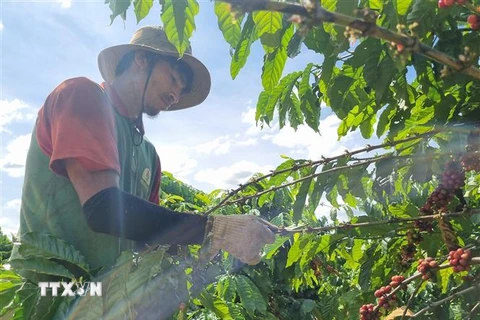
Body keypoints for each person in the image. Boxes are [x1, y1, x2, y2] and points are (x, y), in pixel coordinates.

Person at [12, 26, 277, 277]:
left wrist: (183, 255)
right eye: (174, 79)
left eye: (182, 90)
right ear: (141, 59)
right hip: (50, 292)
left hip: (108, 302)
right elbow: (102, 209)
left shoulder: (149, 155)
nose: (176, 94)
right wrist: (212, 229)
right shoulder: (81, 96)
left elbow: (146, 235)